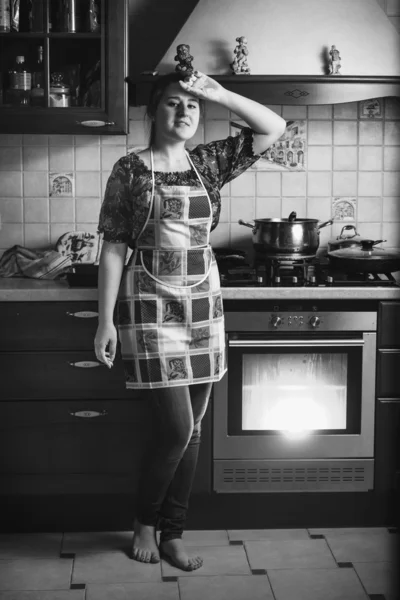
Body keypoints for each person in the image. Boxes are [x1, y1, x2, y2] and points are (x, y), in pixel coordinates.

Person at [94, 70, 286, 571]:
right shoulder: (130, 170)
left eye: (193, 106)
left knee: (193, 428)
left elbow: (274, 127)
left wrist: (219, 93)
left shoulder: (208, 163)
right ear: (153, 111)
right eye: (174, 104)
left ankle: (173, 531)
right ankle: (144, 522)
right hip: (151, 308)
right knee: (178, 430)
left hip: (203, 303)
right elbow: (113, 247)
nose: (185, 113)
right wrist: (106, 321)